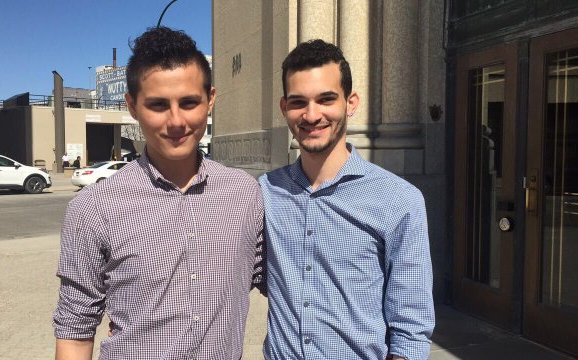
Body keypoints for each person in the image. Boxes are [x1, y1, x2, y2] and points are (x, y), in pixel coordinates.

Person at [53, 27, 264, 360]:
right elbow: (75, 327)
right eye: (158, 105)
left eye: (189, 102)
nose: (176, 121)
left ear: (210, 100)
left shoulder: (245, 195)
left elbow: (287, 281)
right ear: (133, 107)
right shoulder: (93, 208)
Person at [259, 40, 435, 360]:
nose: (312, 115)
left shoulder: (400, 201)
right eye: (299, 102)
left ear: (350, 103)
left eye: (326, 99)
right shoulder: (265, 192)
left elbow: (410, 326)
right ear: (285, 108)